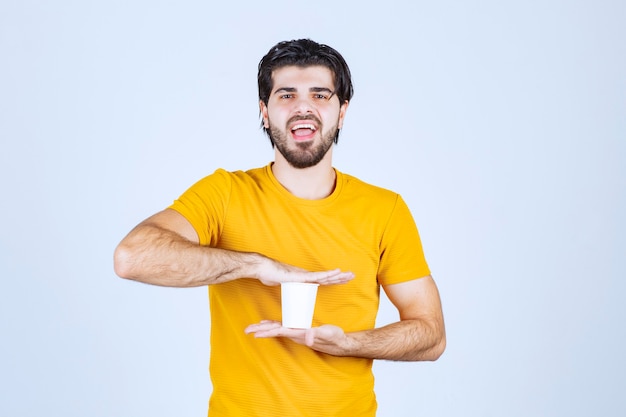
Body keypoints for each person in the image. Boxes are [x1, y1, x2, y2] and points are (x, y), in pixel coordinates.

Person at [114, 38, 446, 417]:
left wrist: (349, 344)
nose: (303, 106)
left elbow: (430, 334)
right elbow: (131, 257)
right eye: (286, 95)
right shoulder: (224, 194)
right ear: (264, 111)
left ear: (342, 112)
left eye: (321, 95)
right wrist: (257, 266)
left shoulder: (385, 210)